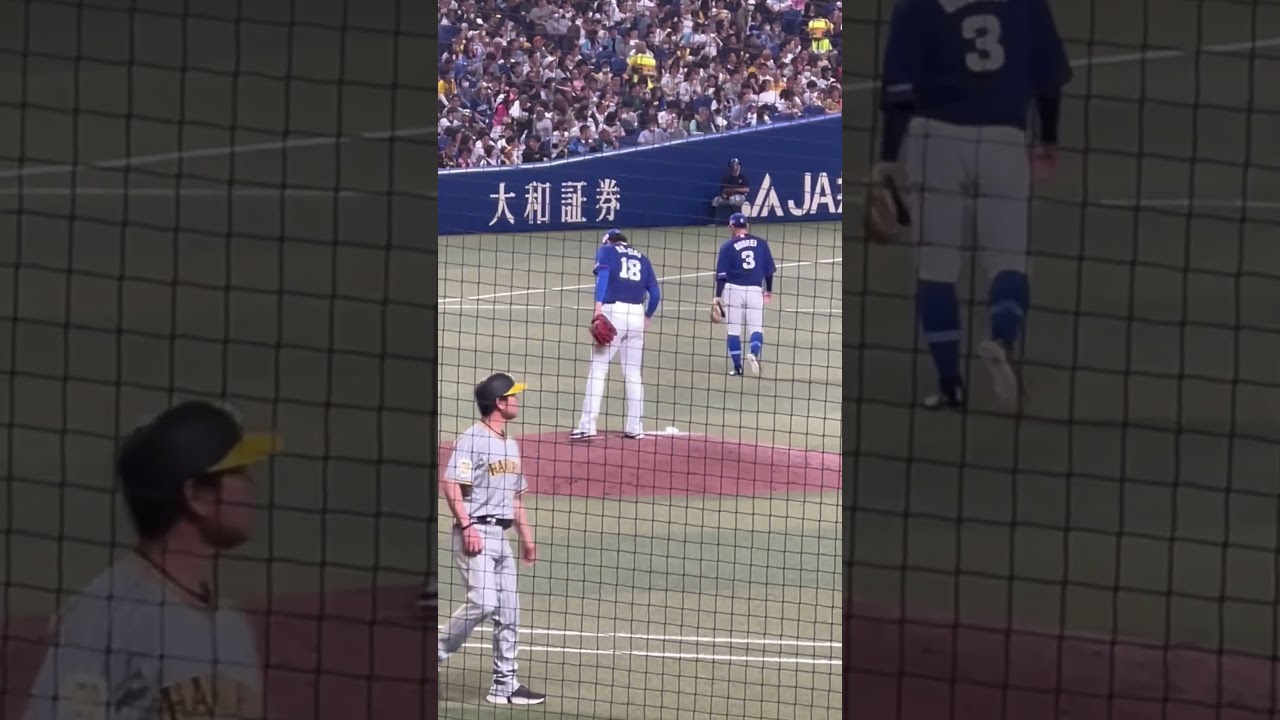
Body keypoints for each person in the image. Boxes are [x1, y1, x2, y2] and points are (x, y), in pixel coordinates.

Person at [23, 400, 278, 720]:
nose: (251, 486)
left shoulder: (231, 627)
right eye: (238, 472)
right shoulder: (107, 614)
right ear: (197, 496)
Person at [877, 0, 1071, 409]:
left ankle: (950, 386)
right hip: (1004, 139)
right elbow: (1049, 78)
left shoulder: (916, 4)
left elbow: (899, 93)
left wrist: (888, 158)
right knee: (1009, 261)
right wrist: (1048, 138)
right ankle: (1001, 337)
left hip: (934, 141)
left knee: (936, 267)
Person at [436, 373, 545, 706]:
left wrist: (527, 538)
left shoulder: (510, 444)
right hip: (476, 533)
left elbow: (515, 498)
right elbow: (451, 484)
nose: (517, 400)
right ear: (499, 402)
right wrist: (467, 525)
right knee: (484, 601)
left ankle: (505, 686)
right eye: (513, 395)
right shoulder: (473, 438)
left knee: (509, 612)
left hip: (501, 537)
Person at [570, 229, 662, 440]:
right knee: (633, 373)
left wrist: (598, 307)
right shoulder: (642, 258)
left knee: (598, 369)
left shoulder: (607, 251)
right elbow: (656, 294)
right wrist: (647, 316)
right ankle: (635, 427)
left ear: (608, 241)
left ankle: (587, 426)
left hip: (614, 312)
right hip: (637, 314)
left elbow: (602, 277)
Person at [714, 213, 777, 376]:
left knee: (733, 330)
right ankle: (754, 353)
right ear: (746, 225)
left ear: (731, 226)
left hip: (733, 290)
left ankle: (738, 368)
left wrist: (717, 296)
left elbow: (721, 276)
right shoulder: (761, 244)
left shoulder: (727, 246)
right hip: (755, 290)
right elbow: (769, 271)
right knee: (756, 328)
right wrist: (768, 290)